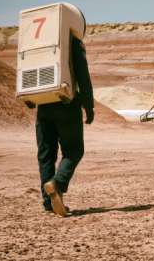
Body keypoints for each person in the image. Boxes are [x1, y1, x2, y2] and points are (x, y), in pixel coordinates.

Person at [34, 35, 94, 216]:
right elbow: (82, 74)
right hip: (66, 103)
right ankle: (57, 184)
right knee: (74, 150)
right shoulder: (72, 41)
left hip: (43, 103)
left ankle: (48, 203)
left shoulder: (40, 43)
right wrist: (88, 105)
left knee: (46, 155)